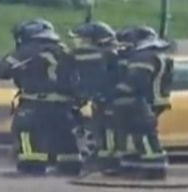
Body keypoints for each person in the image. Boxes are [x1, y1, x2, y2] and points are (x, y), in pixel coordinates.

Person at [0, 18, 83, 176]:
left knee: (26, 131)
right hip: (65, 105)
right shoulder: (63, 50)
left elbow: (3, 70)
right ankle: (69, 166)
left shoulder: (28, 50)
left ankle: (31, 166)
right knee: (63, 134)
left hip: (36, 103)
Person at [108, 26, 174, 179]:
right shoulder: (157, 54)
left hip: (143, 100)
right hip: (154, 99)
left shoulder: (143, 57)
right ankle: (133, 167)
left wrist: (115, 91)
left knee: (143, 134)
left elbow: (137, 81)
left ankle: (154, 168)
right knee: (134, 135)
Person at [68, 21, 123, 172]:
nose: (77, 42)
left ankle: (110, 162)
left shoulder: (99, 55)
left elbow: (92, 80)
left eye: (81, 38)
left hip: (110, 101)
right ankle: (106, 161)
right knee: (103, 130)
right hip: (104, 100)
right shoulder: (112, 54)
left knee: (109, 131)